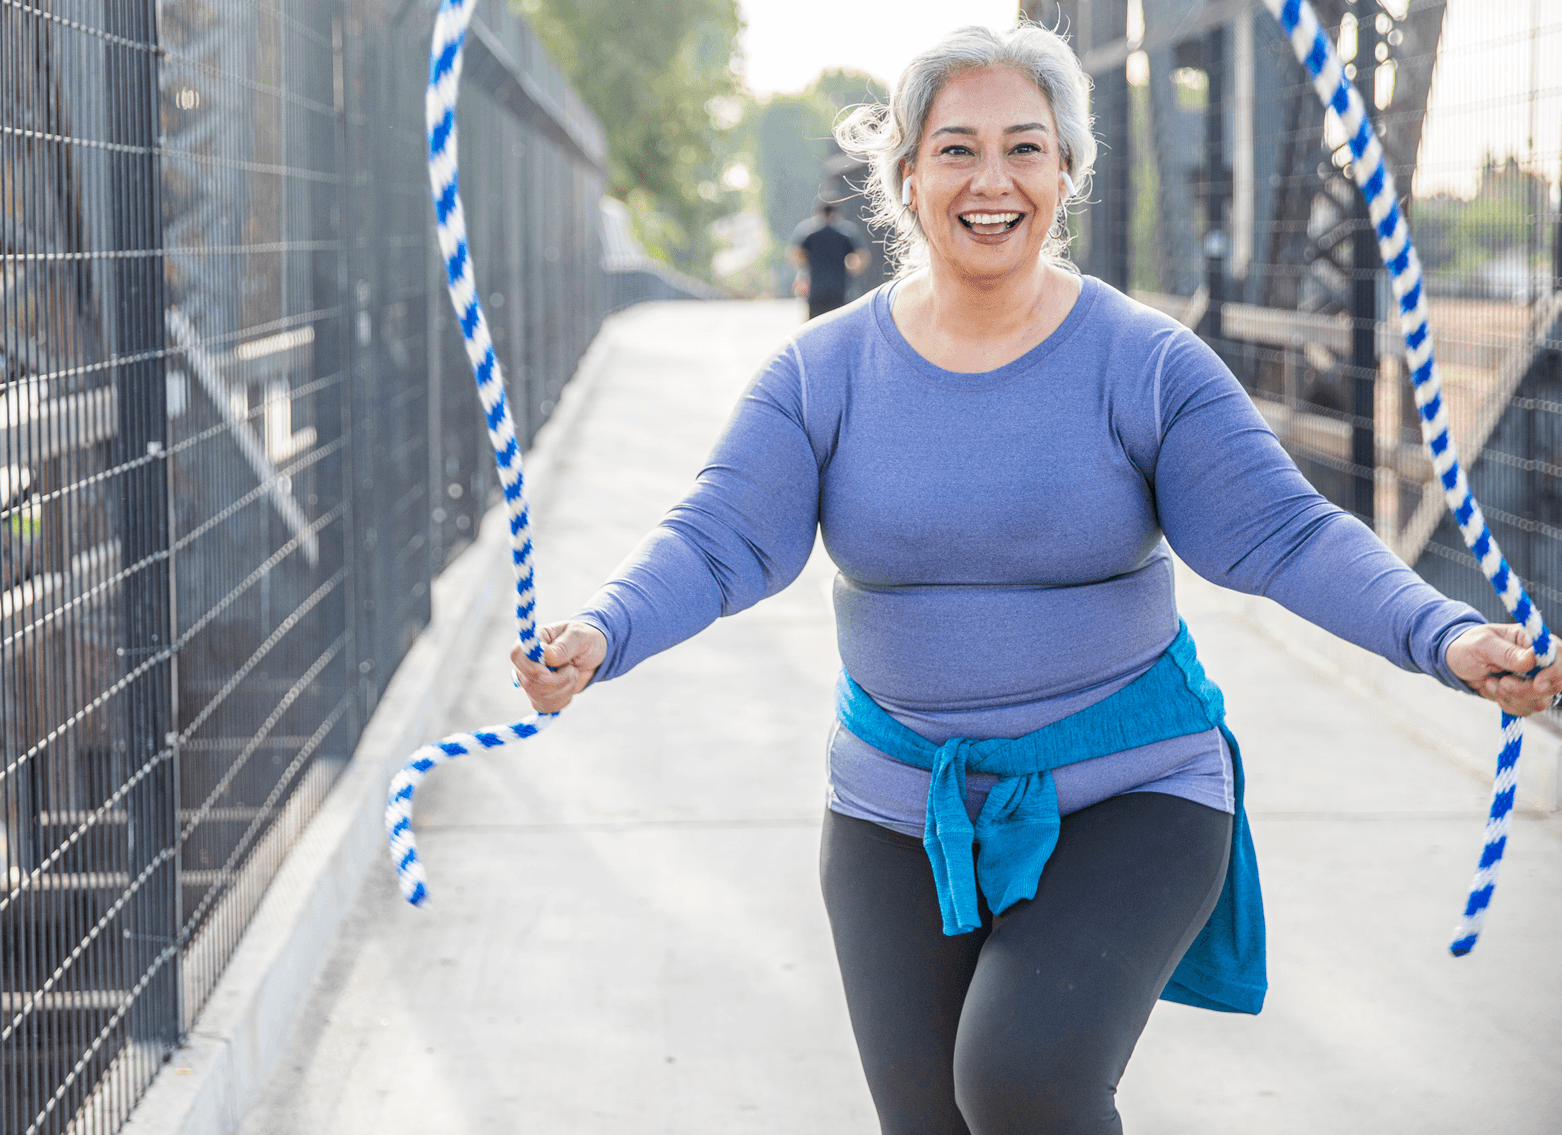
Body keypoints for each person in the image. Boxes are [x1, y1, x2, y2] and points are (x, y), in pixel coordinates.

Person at [508, 22, 1562, 1135]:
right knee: (929, 1123)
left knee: (1021, 1081)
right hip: (897, 798)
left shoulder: (1142, 362)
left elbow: (1284, 534)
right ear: (904, 177)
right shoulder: (820, 373)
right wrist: (602, 630)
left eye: (1024, 147)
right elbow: (719, 536)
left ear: (1065, 173)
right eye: (955, 149)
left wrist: (1443, 635)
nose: (990, 179)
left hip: (1131, 792)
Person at [789, 201, 868, 319]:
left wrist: (805, 268)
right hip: (839, 290)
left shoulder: (810, 235)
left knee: (815, 325)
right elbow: (862, 257)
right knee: (837, 324)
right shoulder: (845, 236)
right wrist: (850, 269)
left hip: (816, 290)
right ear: (836, 214)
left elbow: (794, 254)